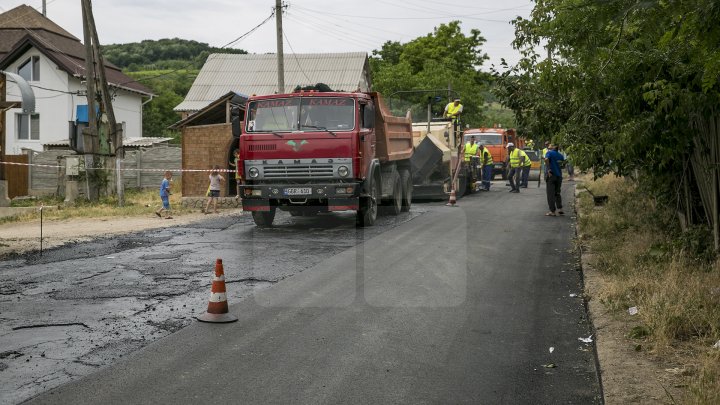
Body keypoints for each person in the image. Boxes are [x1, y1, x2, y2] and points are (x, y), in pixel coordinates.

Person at [544, 144, 566, 216]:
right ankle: (560, 209)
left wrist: (549, 169)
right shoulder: (560, 155)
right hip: (559, 176)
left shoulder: (549, 153)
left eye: (551, 145)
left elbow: (546, 159)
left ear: (553, 147)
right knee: (557, 193)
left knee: (550, 194)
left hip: (551, 175)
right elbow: (563, 166)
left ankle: (552, 211)